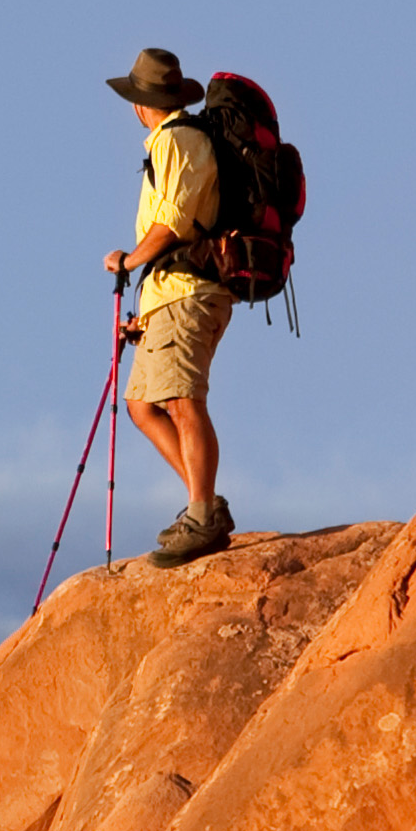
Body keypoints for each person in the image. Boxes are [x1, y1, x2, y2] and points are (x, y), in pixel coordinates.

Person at [101, 45, 234, 564]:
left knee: (182, 400)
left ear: (140, 102)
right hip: (169, 293)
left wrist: (129, 261)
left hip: (189, 289)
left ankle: (202, 513)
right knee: (143, 405)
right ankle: (207, 505)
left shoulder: (177, 140)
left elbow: (175, 221)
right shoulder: (169, 142)